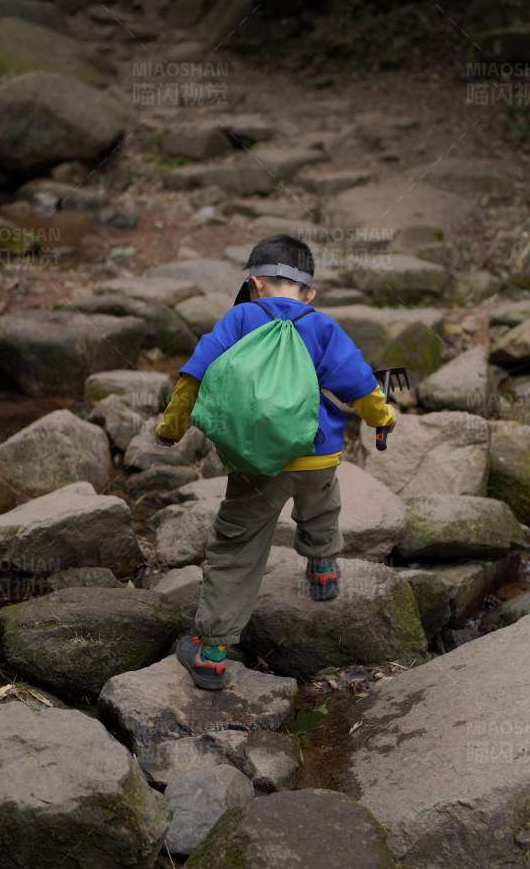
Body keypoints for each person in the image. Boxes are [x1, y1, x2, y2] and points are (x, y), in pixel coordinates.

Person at [155, 235, 396, 689]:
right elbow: (361, 387)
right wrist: (384, 417)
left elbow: (194, 375)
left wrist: (171, 428)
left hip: (256, 463)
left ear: (254, 283)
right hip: (318, 455)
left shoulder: (240, 318)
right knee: (322, 506)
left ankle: (211, 653)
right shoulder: (323, 327)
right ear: (309, 293)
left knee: (237, 548)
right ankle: (323, 568)